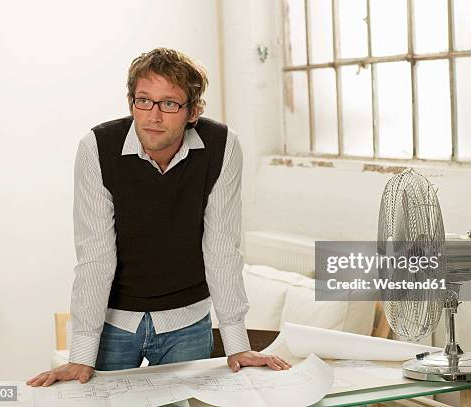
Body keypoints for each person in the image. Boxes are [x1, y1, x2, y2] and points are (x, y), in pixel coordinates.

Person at [27, 48, 290, 387]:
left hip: (187, 320)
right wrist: (81, 355)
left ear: (193, 111)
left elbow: (221, 249)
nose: (153, 116)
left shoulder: (222, 146)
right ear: (131, 102)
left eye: (169, 104)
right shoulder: (97, 148)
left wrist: (237, 345)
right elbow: (96, 257)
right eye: (144, 101)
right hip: (114, 322)